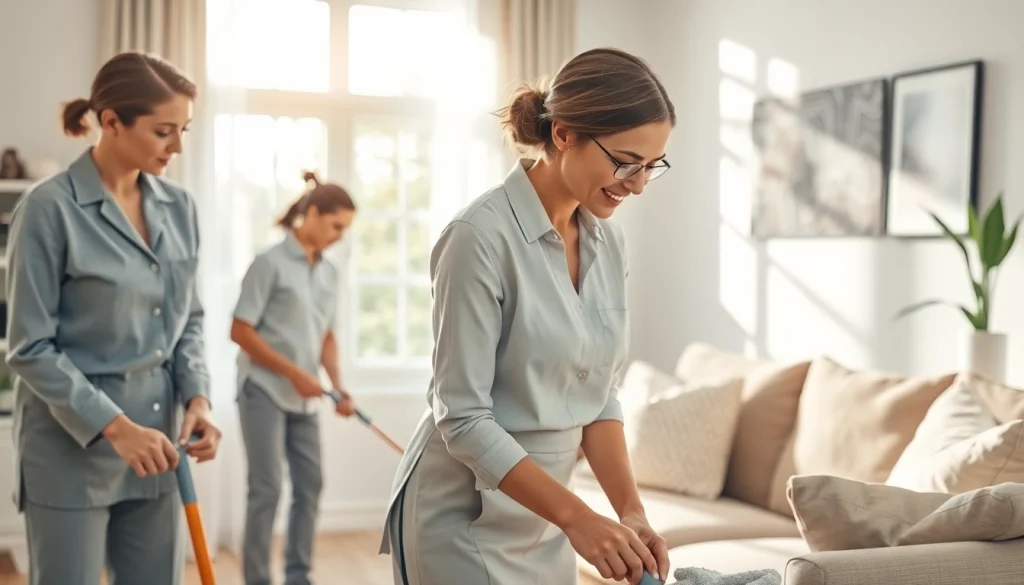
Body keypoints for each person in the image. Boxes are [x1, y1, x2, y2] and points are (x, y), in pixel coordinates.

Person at [381, 47, 677, 585]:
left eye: (650, 167)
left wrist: (629, 511)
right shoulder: (477, 237)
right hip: (461, 515)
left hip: (546, 520)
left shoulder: (609, 242)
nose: (636, 184)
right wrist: (578, 517)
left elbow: (599, 397)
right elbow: (463, 416)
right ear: (564, 133)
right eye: (625, 161)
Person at [4, 51, 222, 585]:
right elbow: (29, 346)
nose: (177, 146)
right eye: (163, 130)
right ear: (110, 122)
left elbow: (188, 318)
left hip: (159, 445)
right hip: (71, 450)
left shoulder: (180, 207)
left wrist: (197, 398)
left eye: (184, 130)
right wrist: (116, 428)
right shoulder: (48, 208)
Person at [230, 172, 358, 585]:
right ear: (313, 214)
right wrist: (294, 373)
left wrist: (336, 385)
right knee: (266, 489)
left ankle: (298, 576)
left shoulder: (330, 272)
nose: (340, 236)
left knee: (311, 485)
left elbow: (327, 335)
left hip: (305, 396)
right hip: (263, 390)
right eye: (336, 226)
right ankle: (256, 580)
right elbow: (240, 330)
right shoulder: (268, 263)